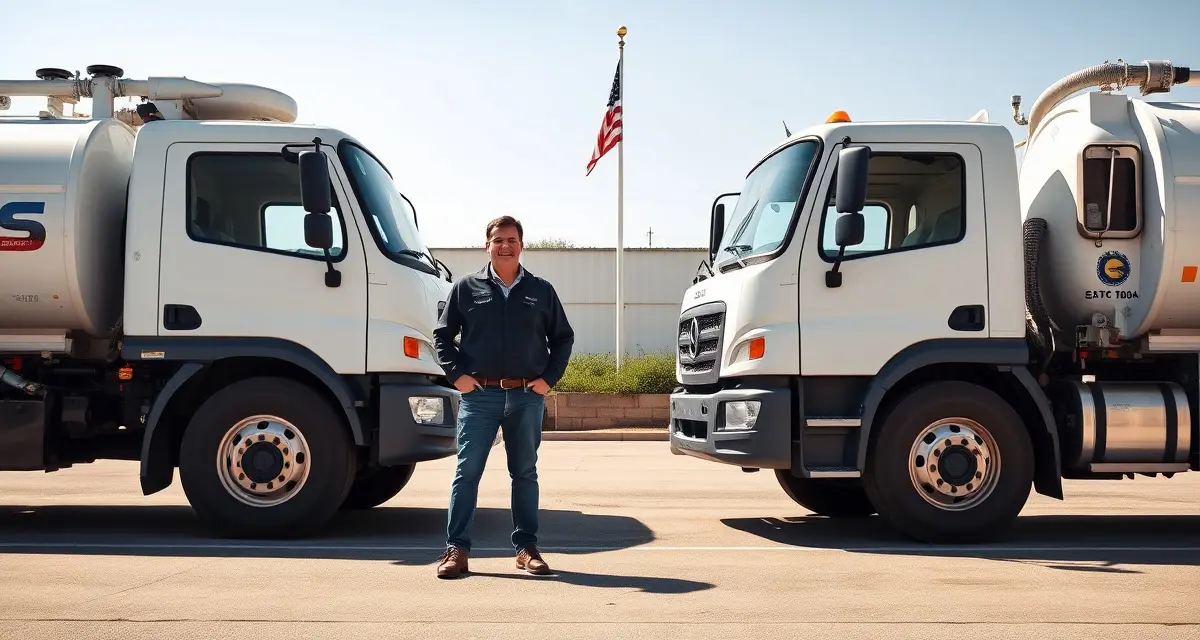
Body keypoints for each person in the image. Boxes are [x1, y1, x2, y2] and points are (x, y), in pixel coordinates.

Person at [431, 215, 575, 579]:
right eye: (498, 240)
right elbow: (442, 337)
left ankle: (526, 548)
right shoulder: (466, 287)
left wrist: (547, 380)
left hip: (527, 396)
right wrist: (457, 376)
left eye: (511, 239)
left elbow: (563, 338)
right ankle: (456, 550)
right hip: (480, 397)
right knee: (467, 472)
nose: (505, 245)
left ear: (521, 245)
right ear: (488, 245)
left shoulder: (541, 290)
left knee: (524, 473)